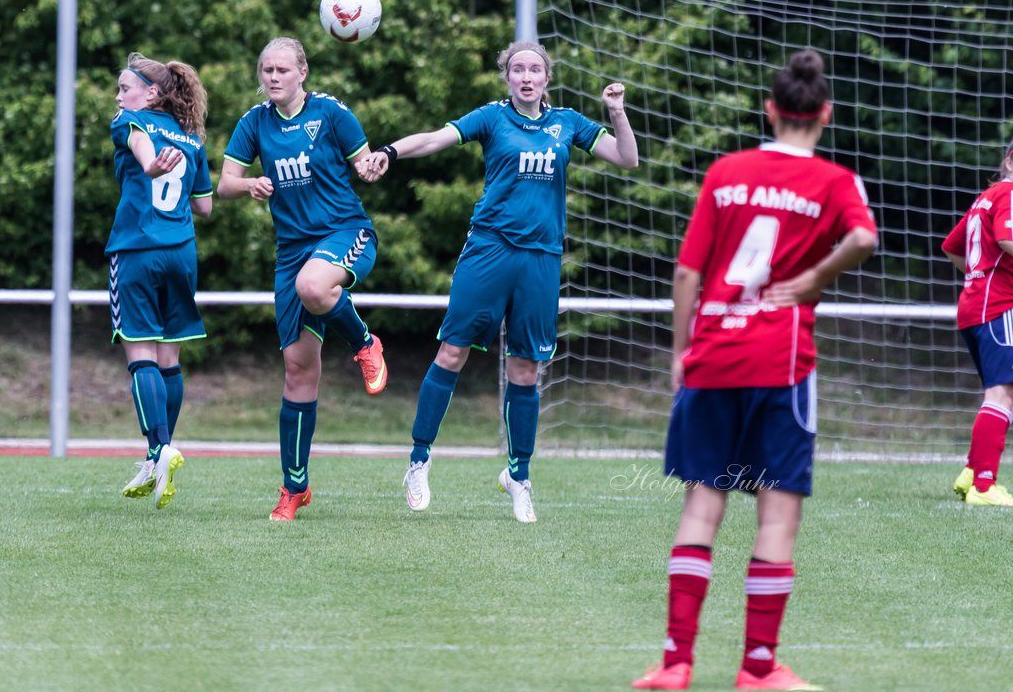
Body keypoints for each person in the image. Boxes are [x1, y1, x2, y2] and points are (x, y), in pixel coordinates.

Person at [631, 50, 878, 691]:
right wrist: (813, 280)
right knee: (776, 515)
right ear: (824, 113)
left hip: (712, 354)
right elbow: (864, 239)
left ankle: (676, 663)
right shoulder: (834, 181)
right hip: (781, 362)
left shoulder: (727, 171)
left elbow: (688, 273)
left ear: (770, 109)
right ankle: (758, 669)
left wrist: (682, 353)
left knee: (701, 505)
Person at [359, 39, 639, 523]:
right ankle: (419, 460)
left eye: (535, 69)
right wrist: (389, 151)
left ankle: (519, 475)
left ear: (546, 78)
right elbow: (433, 139)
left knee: (526, 370)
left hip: (541, 260)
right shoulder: (491, 118)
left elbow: (627, 158)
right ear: (506, 78)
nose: (526, 77)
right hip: (489, 251)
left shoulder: (567, 123)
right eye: (517, 70)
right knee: (452, 352)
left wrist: (616, 112)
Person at [218, 37, 387, 521]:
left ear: (302, 73)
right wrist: (248, 183)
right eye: (266, 69)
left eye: (282, 69)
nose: (273, 76)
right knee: (297, 370)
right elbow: (225, 180)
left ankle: (365, 344)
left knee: (314, 288)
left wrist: (373, 167)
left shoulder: (332, 114)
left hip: (344, 232)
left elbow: (363, 162)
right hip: (291, 251)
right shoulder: (254, 123)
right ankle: (295, 489)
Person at [108, 52, 213, 510]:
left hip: (136, 250)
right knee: (169, 358)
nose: (118, 97)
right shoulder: (191, 137)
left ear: (151, 93)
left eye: (124, 88)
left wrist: (150, 168)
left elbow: (142, 152)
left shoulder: (131, 122)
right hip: (182, 252)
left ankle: (158, 450)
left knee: (140, 355)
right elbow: (205, 207)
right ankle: (160, 452)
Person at [941, 140, 1013, 507]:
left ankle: (972, 470)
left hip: (974, 305)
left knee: (1000, 391)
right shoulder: (1009, 193)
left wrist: (977, 276)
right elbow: (1006, 237)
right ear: (1010, 162)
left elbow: (952, 248)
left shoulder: (985, 197)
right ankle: (984, 486)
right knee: (1003, 392)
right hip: (998, 306)